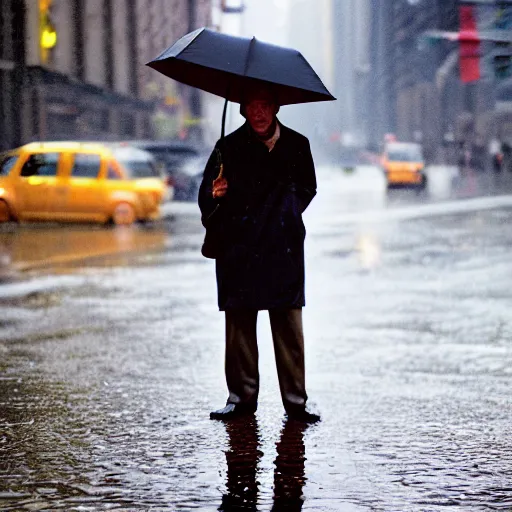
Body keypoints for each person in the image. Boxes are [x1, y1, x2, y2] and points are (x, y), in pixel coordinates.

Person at [198, 82, 320, 423]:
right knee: (239, 327)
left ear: (275, 107)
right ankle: (240, 399)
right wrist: (216, 193)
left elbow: (308, 188)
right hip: (240, 249)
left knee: (288, 328)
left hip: (283, 248)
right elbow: (206, 198)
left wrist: (286, 213)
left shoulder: (298, 145)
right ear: (243, 109)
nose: (259, 112)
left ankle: (296, 402)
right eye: (252, 105)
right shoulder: (227, 147)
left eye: (265, 104)